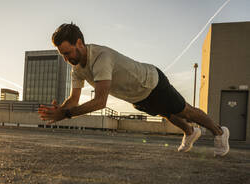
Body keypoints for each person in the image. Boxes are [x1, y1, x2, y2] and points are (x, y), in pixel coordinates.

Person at [38, 23, 230, 157]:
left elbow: (100, 102)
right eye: (62, 55)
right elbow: (73, 99)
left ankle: (220, 132)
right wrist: (61, 110)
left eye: (67, 52)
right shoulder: (77, 68)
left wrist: (66, 114)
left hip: (151, 82)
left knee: (185, 111)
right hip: (136, 96)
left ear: (79, 42)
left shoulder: (101, 58)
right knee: (166, 113)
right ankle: (190, 132)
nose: (66, 58)